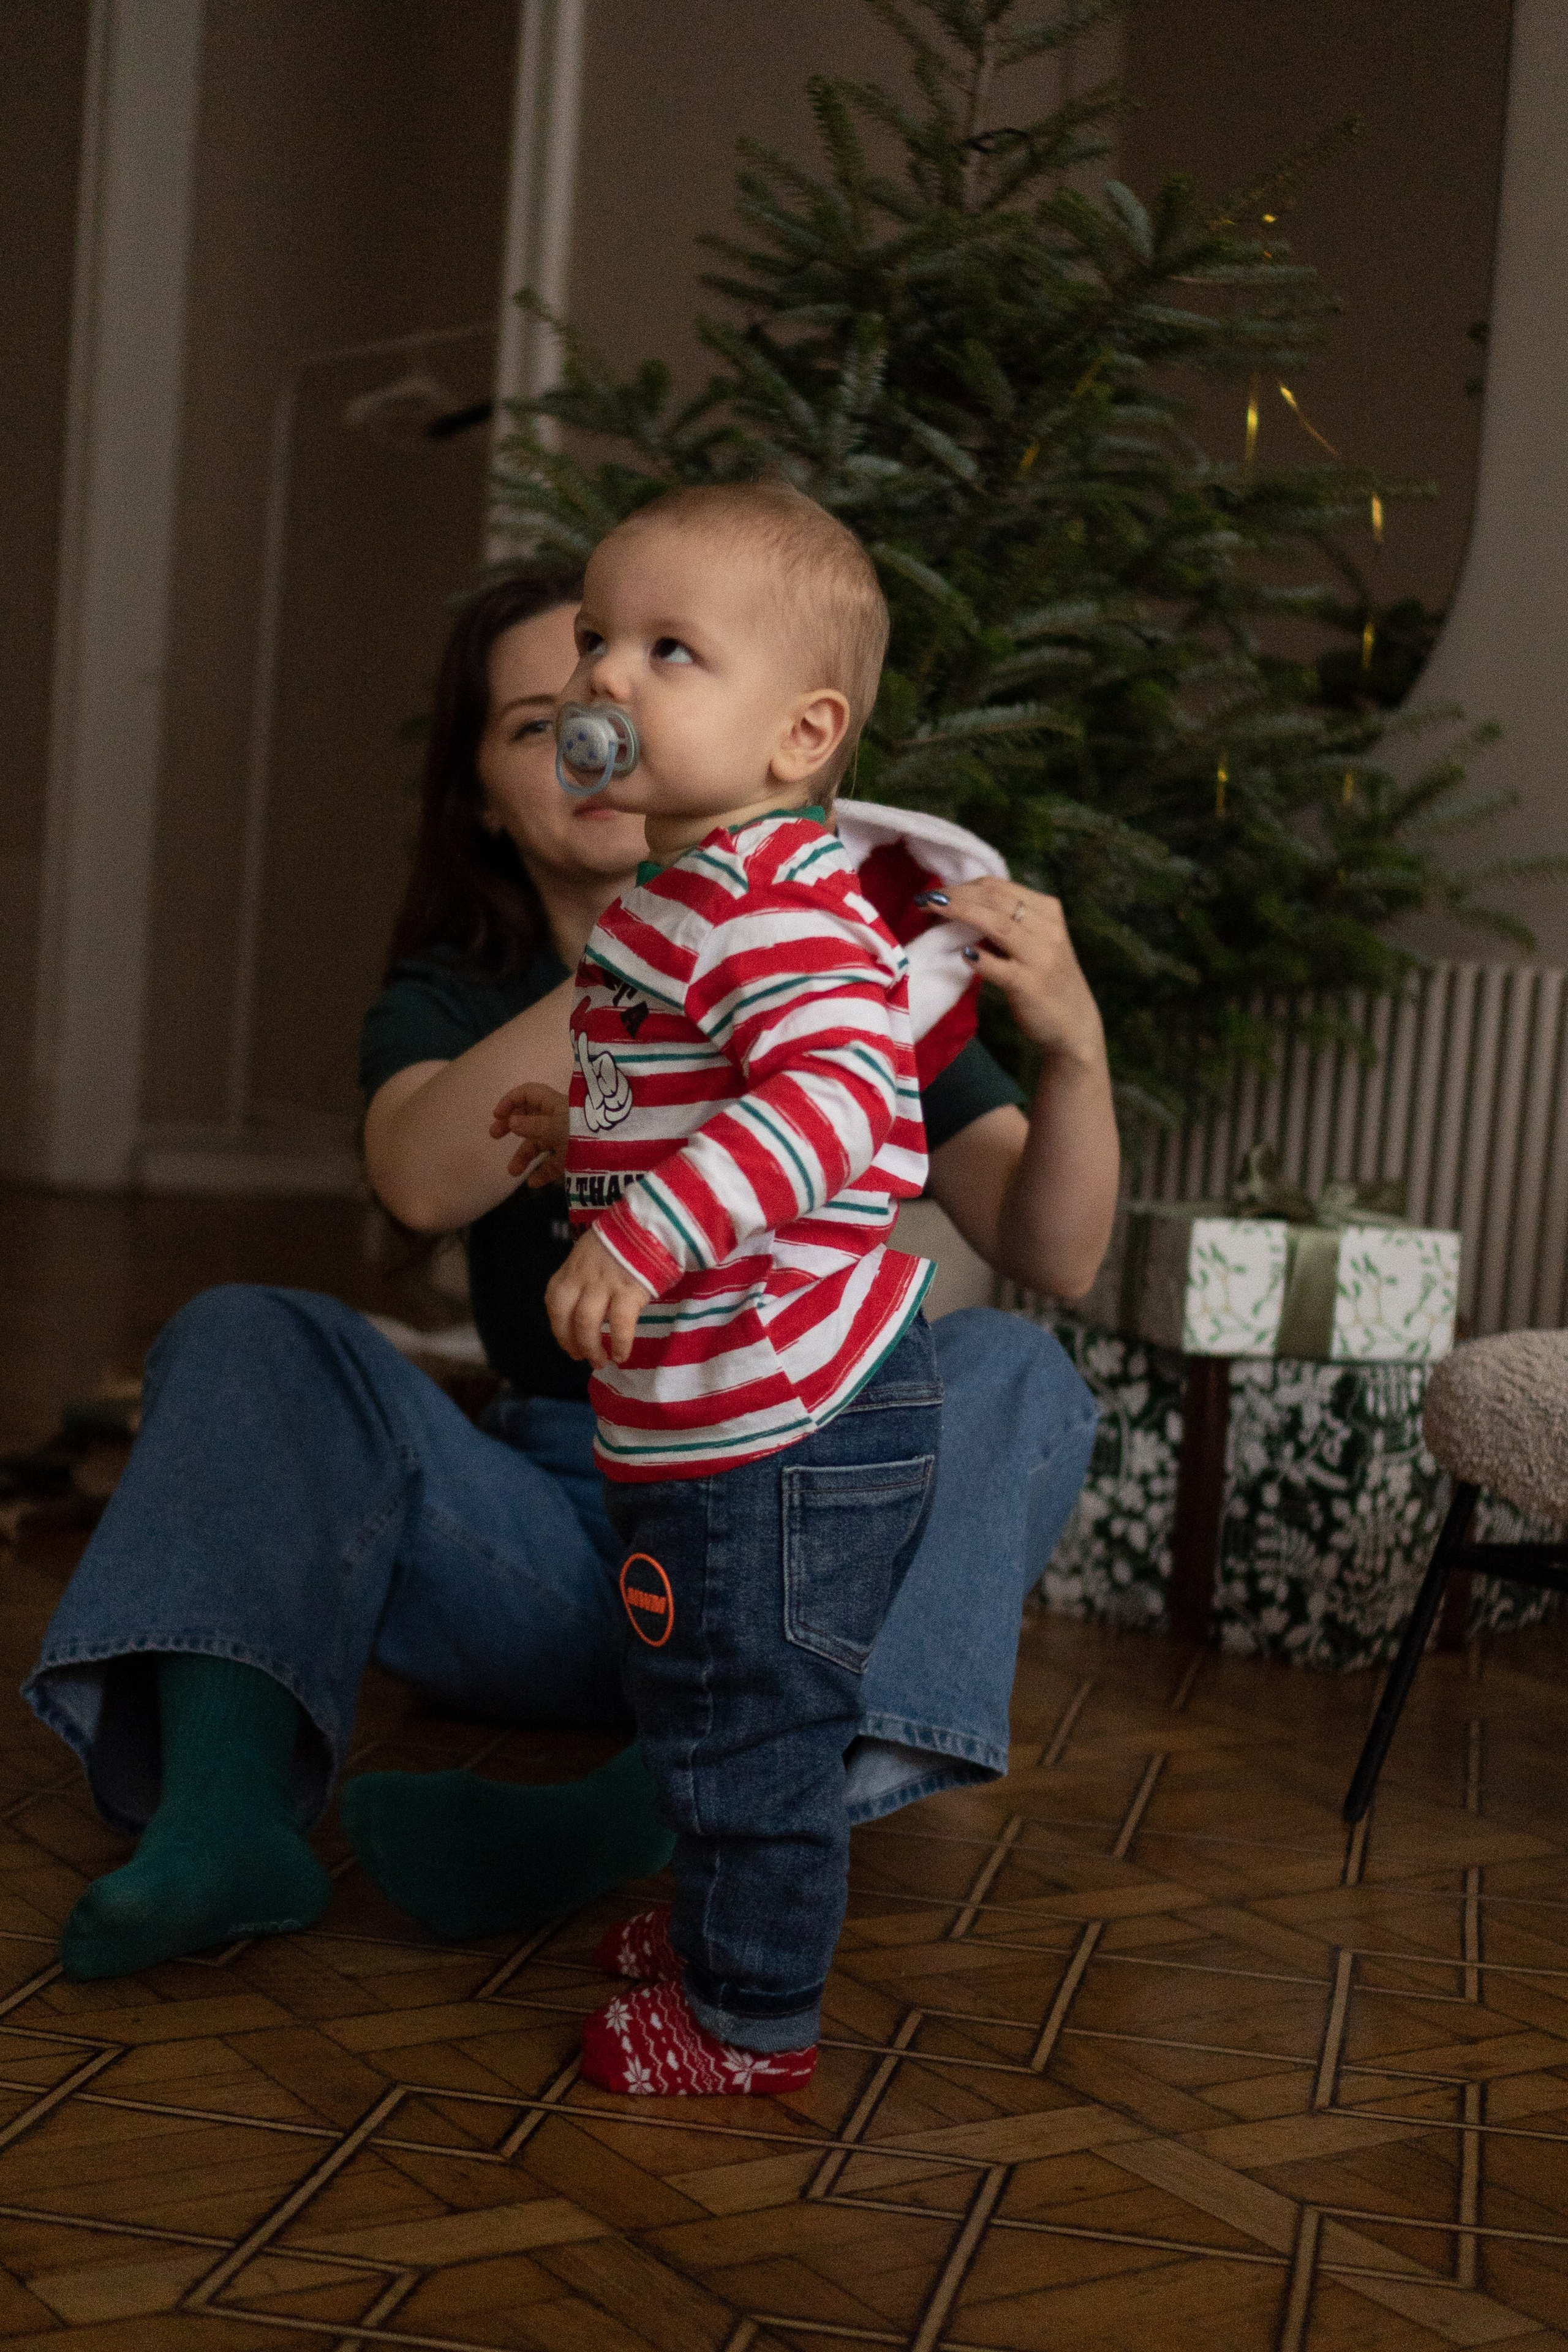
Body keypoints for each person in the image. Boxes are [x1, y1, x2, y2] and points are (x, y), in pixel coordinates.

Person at [22, 562, 1118, 1985]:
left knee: (1013, 1372)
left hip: (788, 1537)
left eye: (657, 670)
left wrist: (1074, 1047)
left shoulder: (823, 967)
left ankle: (643, 1819)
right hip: (550, 1535)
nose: (604, 720)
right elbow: (419, 1179)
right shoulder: (463, 991)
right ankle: (219, 1829)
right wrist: (648, 951)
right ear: (483, 795)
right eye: (544, 718)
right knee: (249, 1331)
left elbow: (1054, 1252)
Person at [494, 483, 942, 2095]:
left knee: (756, 1721)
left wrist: (646, 1234)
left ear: (801, 732)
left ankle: (751, 2020)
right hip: (710, 1412)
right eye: (600, 640)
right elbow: (701, 1089)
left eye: (670, 652)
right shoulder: (680, 898)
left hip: (791, 1422)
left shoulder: (778, 901)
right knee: (695, 1692)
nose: (606, 680)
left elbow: (835, 1107)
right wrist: (587, 1141)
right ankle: (715, 1923)